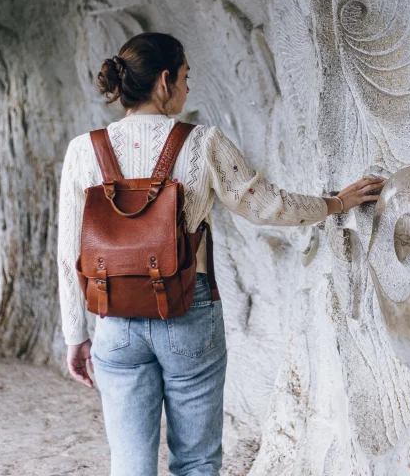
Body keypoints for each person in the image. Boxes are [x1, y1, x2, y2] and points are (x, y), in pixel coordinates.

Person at [56, 32, 385, 476]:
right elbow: (268, 205)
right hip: (187, 311)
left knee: (129, 462)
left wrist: (75, 335)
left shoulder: (84, 150)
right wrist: (335, 204)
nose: (189, 88)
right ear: (164, 80)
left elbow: (68, 250)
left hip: (114, 318)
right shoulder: (201, 142)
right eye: (187, 77)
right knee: (196, 462)